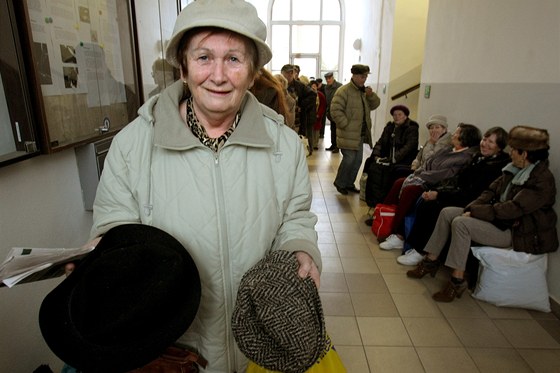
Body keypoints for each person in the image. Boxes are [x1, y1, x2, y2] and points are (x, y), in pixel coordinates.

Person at [85, 1, 321, 371]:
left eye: (234, 60)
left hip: (257, 339)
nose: (218, 75)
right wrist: (106, 260)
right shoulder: (133, 145)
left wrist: (300, 247)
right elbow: (115, 226)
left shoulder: (284, 145)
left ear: (253, 71)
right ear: (183, 66)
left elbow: (295, 216)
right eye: (204, 57)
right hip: (175, 346)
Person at [407, 125, 558, 302]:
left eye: (514, 150)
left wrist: (475, 212)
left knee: (461, 223)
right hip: (497, 220)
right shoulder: (513, 169)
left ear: (524, 154)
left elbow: (512, 209)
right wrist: (472, 208)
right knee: (448, 212)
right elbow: (489, 192)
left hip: (516, 232)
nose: (511, 153)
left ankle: (457, 280)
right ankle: (430, 261)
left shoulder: (541, 180)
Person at [397, 126, 510, 265]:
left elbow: (473, 193)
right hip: (459, 193)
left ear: (499, 147)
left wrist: (439, 194)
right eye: (485, 139)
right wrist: (437, 189)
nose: (485, 144)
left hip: (473, 202)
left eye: (491, 142)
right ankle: (410, 244)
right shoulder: (478, 157)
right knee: (422, 197)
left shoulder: (497, 166)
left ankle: (420, 250)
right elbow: (458, 179)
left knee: (432, 206)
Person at [379, 123, 482, 249]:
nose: (453, 135)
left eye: (456, 133)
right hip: (424, 176)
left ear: (465, 138)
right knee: (399, 182)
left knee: (409, 190)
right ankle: (383, 216)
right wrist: (421, 172)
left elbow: (445, 174)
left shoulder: (465, 157)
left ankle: (398, 233)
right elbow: (429, 161)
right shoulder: (449, 148)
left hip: (435, 183)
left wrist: (423, 175)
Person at [331, 64, 381, 195]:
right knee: (349, 159)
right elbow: (335, 110)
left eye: (365, 77)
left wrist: (371, 95)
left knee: (358, 160)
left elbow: (375, 105)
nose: (363, 79)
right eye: (361, 76)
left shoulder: (364, 92)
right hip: (348, 133)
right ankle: (340, 182)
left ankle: (349, 183)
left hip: (360, 134)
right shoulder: (344, 91)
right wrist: (346, 125)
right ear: (354, 75)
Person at [363, 105, 419, 209]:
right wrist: (376, 155)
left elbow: (408, 148)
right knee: (371, 163)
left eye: (400, 114)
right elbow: (380, 142)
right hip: (387, 159)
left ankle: (382, 202)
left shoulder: (412, 128)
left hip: (402, 161)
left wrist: (392, 159)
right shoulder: (389, 128)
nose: (397, 117)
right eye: (394, 115)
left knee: (385, 172)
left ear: (405, 116)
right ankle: (371, 200)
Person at [281, 64, 317, 155]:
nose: (283, 78)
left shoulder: (299, 86)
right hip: (284, 119)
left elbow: (312, 95)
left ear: (291, 74)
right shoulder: (280, 85)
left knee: (297, 143)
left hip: (298, 121)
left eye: (284, 75)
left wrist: (301, 105)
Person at [324, 72, 342, 152]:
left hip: (338, 111)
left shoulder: (339, 86)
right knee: (333, 129)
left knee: (337, 130)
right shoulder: (326, 87)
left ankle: (337, 146)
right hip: (330, 111)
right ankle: (333, 144)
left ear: (333, 78)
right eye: (326, 79)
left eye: (329, 78)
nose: (328, 80)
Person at [309, 80, 326, 150]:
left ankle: (315, 144)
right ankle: (310, 144)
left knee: (316, 130)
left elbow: (323, 105)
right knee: (311, 130)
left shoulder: (320, 95)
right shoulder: (308, 94)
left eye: (315, 86)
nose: (313, 87)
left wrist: (319, 114)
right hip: (310, 115)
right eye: (312, 86)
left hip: (318, 116)